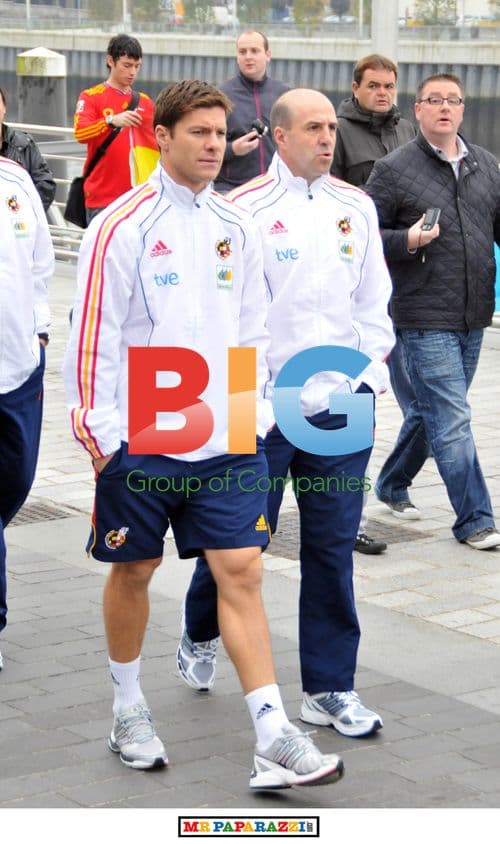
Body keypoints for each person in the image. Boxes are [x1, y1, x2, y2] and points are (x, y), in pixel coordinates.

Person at [63, 79, 343, 790]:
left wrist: (257, 413)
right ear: (162, 137)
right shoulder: (119, 225)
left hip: (224, 428)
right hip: (142, 430)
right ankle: (128, 707)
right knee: (136, 569)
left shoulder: (237, 225)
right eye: (200, 133)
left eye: (220, 133)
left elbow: (253, 328)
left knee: (242, 569)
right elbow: (92, 336)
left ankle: (272, 733)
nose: (215, 145)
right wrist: (102, 438)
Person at [180, 88, 395, 738]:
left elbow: (374, 303)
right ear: (279, 136)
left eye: (331, 127)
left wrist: (368, 376)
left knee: (332, 548)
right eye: (313, 128)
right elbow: (218, 314)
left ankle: (329, 688)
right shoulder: (240, 210)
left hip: (341, 405)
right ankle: (200, 628)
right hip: (264, 408)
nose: (328, 138)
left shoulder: (355, 206)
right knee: (241, 543)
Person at [366, 73, 500, 550]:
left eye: (453, 100)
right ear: (418, 109)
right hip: (421, 314)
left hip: (473, 312)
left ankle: (391, 482)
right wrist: (407, 240)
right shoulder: (392, 169)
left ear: (463, 109)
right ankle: (475, 520)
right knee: (453, 416)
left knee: (432, 412)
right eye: (434, 99)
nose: (445, 107)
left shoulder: (486, 165)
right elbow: (364, 238)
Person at [331, 53, 416, 555]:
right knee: (352, 406)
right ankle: (349, 518)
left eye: (389, 85)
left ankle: (381, 488)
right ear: (356, 87)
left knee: (407, 406)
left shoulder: (406, 131)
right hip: (350, 283)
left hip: (403, 280)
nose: (383, 92)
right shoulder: (339, 133)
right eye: (374, 85)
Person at [0, 156, 54, 671]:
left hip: (18, 368)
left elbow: (40, 264)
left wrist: (40, 331)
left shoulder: (15, 180)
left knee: (16, 482)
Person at [73, 33, 158, 224]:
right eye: (127, 65)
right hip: (101, 197)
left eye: (137, 66)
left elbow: (161, 139)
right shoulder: (91, 96)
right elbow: (80, 133)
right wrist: (110, 121)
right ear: (110, 61)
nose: (132, 72)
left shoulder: (145, 102)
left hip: (137, 198)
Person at [214, 29, 289, 193]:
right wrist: (234, 149)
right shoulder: (220, 95)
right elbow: (205, 146)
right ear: (237, 57)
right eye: (242, 52)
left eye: (254, 51)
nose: (248, 57)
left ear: (267, 55)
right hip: (231, 187)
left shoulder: (284, 94)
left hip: (274, 186)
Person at [0, 86, 56, 211]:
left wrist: (25, 211)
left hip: (18, 216)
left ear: (4, 108)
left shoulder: (24, 143)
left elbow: (45, 184)